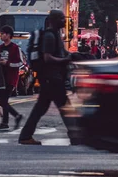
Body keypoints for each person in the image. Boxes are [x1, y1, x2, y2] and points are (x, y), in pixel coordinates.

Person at [18, 10, 77, 145]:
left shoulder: (56, 35)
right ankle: (75, 136)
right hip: (52, 78)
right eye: (61, 18)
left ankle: (25, 136)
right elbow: (47, 58)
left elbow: (60, 53)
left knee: (42, 108)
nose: (64, 20)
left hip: (52, 78)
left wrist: (72, 56)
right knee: (65, 107)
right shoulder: (50, 36)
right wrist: (65, 60)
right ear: (54, 20)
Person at [0, 26, 23, 130]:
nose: (0, 35)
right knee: (2, 101)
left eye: (2, 33)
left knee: (2, 101)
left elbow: (20, 63)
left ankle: (14, 117)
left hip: (10, 78)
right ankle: (6, 122)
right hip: (0, 78)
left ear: (8, 35)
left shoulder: (15, 48)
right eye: (0, 34)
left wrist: (8, 63)